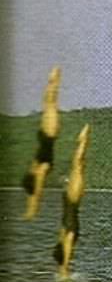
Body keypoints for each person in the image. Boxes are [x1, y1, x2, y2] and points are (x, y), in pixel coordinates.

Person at [22, 66, 61, 219]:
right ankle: (32, 208)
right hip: (46, 142)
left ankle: (32, 209)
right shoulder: (41, 167)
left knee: (49, 103)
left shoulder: (40, 167)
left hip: (45, 142)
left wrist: (33, 208)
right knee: (49, 103)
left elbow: (37, 191)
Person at [53, 123, 90, 280]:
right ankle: (64, 271)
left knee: (67, 238)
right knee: (78, 166)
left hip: (67, 219)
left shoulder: (71, 192)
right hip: (70, 218)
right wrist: (83, 141)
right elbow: (78, 162)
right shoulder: (73, 188)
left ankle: (64, 270)